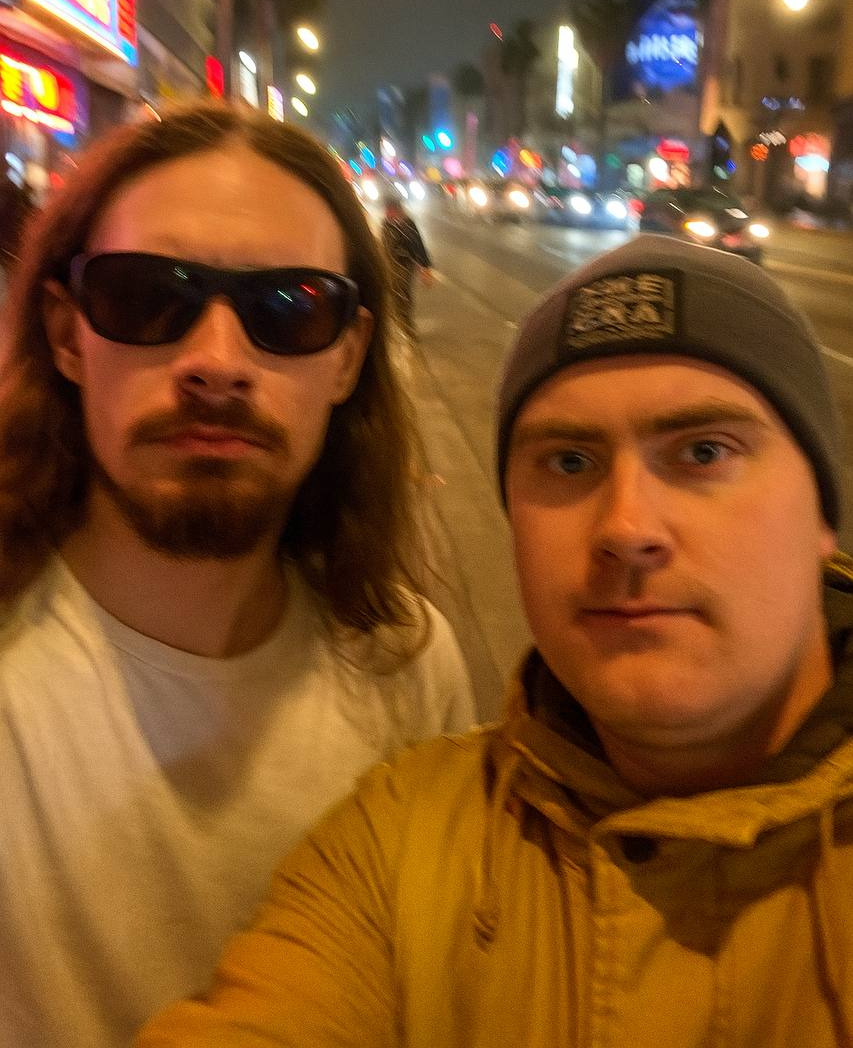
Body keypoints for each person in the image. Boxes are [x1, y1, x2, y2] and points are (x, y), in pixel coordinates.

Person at [139, 233, 853, 1048]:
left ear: (821, 514)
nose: (625, 528)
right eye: (569, 462)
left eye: (702, 452)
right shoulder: (401, 847)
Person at [0, 101, 474, 1048]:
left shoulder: (407, 666)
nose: (216, 364)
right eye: (146, 297)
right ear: (67, 334)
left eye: (288, 310)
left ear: (347, 357)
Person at [379, 191, 434, 337]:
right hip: (390, 266)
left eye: (390, 210)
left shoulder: (407, 224)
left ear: (397, 209)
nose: (388, 213)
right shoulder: (386, 224)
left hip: (404, 265)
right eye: (387, 210)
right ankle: (401, 324)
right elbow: (384, 246)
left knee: (403, 294)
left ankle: (406, 326)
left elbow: (418, 245)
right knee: (394, 295)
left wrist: (425, 267)